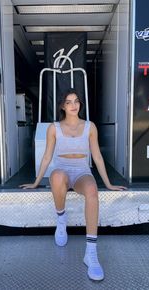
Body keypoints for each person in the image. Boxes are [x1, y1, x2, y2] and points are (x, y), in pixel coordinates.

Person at [20, 89, 126, 281]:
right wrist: (36, 182)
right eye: (68, 102)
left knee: (93, 190)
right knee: (58, 176)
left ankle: (91, 253)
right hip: (62, 170)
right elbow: (46, 157)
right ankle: (61, 219)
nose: (73, 105)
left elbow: (98, 156)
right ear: (62, 106)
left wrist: (109, 184)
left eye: (76, 101)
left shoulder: (90, 126)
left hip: (81, 171)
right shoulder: (54, 128)